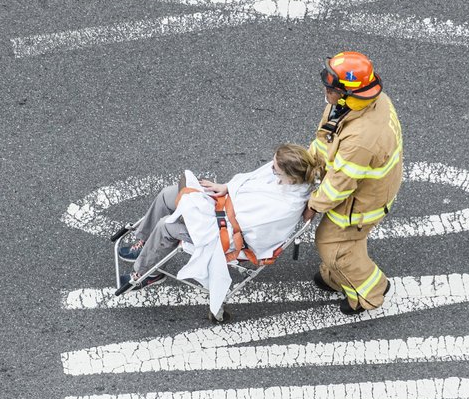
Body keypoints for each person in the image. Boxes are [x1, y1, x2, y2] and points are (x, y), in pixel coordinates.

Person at [117, 143, 318, 292]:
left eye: (275, 168)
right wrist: (226, 189)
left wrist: (203, 215)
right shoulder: (283, 177)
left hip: (227, 237)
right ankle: (144, 243)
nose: (270, 169)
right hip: (222, 214)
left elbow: (246, 235)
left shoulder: (284, 207)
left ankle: (148, 273)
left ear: (290, 177)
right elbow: (248, 182)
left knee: (166, 226)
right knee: (169, 194)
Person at [303, 51, 403, 315]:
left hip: (363, 202)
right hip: (367, 187)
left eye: (331, 86)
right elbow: (330, 141)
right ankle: (336, 277)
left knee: (334, 243)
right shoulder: (360, 106)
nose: (326, 88)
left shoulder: (361, 138)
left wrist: (312, 205)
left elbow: (340, 183)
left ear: (348, 94)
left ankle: (370, 292)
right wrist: (308, 163)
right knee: (345, 241)